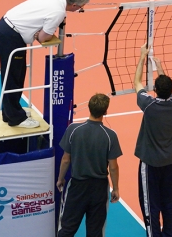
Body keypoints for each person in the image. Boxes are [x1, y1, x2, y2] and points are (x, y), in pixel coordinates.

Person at [0, 0, 89, 128]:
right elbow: (43, 37)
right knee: (13, 77)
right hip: (11, 37)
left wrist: (39, 32)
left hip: (7, 27)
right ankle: (15, 118)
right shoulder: (59, 12)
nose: (80, 9)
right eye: (81, 7)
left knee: (18, 74)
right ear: (74, 5)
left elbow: (40, 33)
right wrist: (40, 33)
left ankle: (10, 112)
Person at [134, 44, 172, 237]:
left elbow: (137, 83)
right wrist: (160, 68)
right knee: (169, 201)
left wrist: (142, 57)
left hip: (151, 163)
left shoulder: (149, 106)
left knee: (150, 204)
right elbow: (169, 90)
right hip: (169, 161)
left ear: (155, 89)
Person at [56, 93, 122, 237]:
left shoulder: (73, 130)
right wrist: (116, 188)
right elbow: (113, 166)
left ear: (89, 108)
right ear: (105, 111)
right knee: (95, 232)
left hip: (77, 187)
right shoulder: (110, 135)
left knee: (66, 229)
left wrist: (61, 179)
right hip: (99, 189)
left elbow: (66, 159)